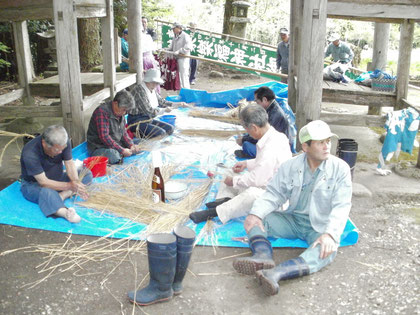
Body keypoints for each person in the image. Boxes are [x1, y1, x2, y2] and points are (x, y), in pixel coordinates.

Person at [232, 120, 352, 296]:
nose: (327, 146)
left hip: (319, 227)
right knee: (258, 219)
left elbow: (341, 206)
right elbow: (273, 194)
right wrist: (256, 214)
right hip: (293, 220)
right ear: (305, 146)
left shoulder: (340, 169)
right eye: (320, 142)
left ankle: (276, 273)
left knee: (326, 250)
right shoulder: (290, 166)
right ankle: (262, 256)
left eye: (328, 141)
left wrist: (330, 234)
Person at [189, 105, 292, 224]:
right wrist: (246, 163)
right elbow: (264, 163)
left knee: (251, 194)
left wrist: (234, 181)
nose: (246, 132)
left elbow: (257, 179)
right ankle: (225, 200)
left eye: (246, 128)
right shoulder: (273, 136)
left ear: (254, 127)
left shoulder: (271, 145)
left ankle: (215, 212)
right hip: (265, 181)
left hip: (276, 197)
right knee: (230, 172)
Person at [20, 125, 92, 223]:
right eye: (57, 150)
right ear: (44, 144)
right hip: (34, 184)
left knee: (86, 173)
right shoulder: (30, 153)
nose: (60, 152)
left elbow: (69, 163)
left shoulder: (63, 142)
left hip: (58, 178)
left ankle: (62, 196)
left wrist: (76, 183)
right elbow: (44, 183)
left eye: (63, 149)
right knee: (47, 192)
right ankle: (65, 213)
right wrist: (70, 185)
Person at [127, 68, 188, 139]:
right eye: (154, 82)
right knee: (161, 133)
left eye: (156, 83)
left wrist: (177, 104)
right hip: (136, 121)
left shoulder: (152, 89)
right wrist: (163, 110)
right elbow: (147, 110)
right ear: (148, 81)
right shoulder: (139, 90)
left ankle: (144, 136)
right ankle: (138, 135)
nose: (155, 85)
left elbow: (162, 102)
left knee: (170, 129)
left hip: (148, 119)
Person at [87, 90, 141, 165]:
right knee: (114, 155)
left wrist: (131, 145)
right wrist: (121, 150)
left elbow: (123, 133)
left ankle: (122, 153)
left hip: (116, 143)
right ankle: (120, 156)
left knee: (139, 144)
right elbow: (104, 137)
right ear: (115, 103)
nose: (124, 113)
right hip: (100, 147)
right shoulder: (102, 112)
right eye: (123, 110)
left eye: (126, 110)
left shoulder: (120, 113)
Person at [235, 86, 291, 159]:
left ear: (264, 99)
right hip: (272, 144)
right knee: (247, 137)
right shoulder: (271, 109)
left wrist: (243, 139)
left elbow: (262, 135)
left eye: (257, 102)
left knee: (246, 144)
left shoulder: (275, 114)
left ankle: (252, 154)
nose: (257, 104)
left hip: (274, 149)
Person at [167, 22, 193, 89]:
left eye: (174, 28)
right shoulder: (175, 36)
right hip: (176, 59)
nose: (173, 30)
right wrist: (164, 50)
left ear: (179, 28)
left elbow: (188, 47)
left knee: (183, 76)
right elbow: (171, 48)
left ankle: (186, 93)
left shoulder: (185, 36)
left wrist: (179, 51)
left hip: (183, 59)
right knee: (178, 78)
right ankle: (180, 93)